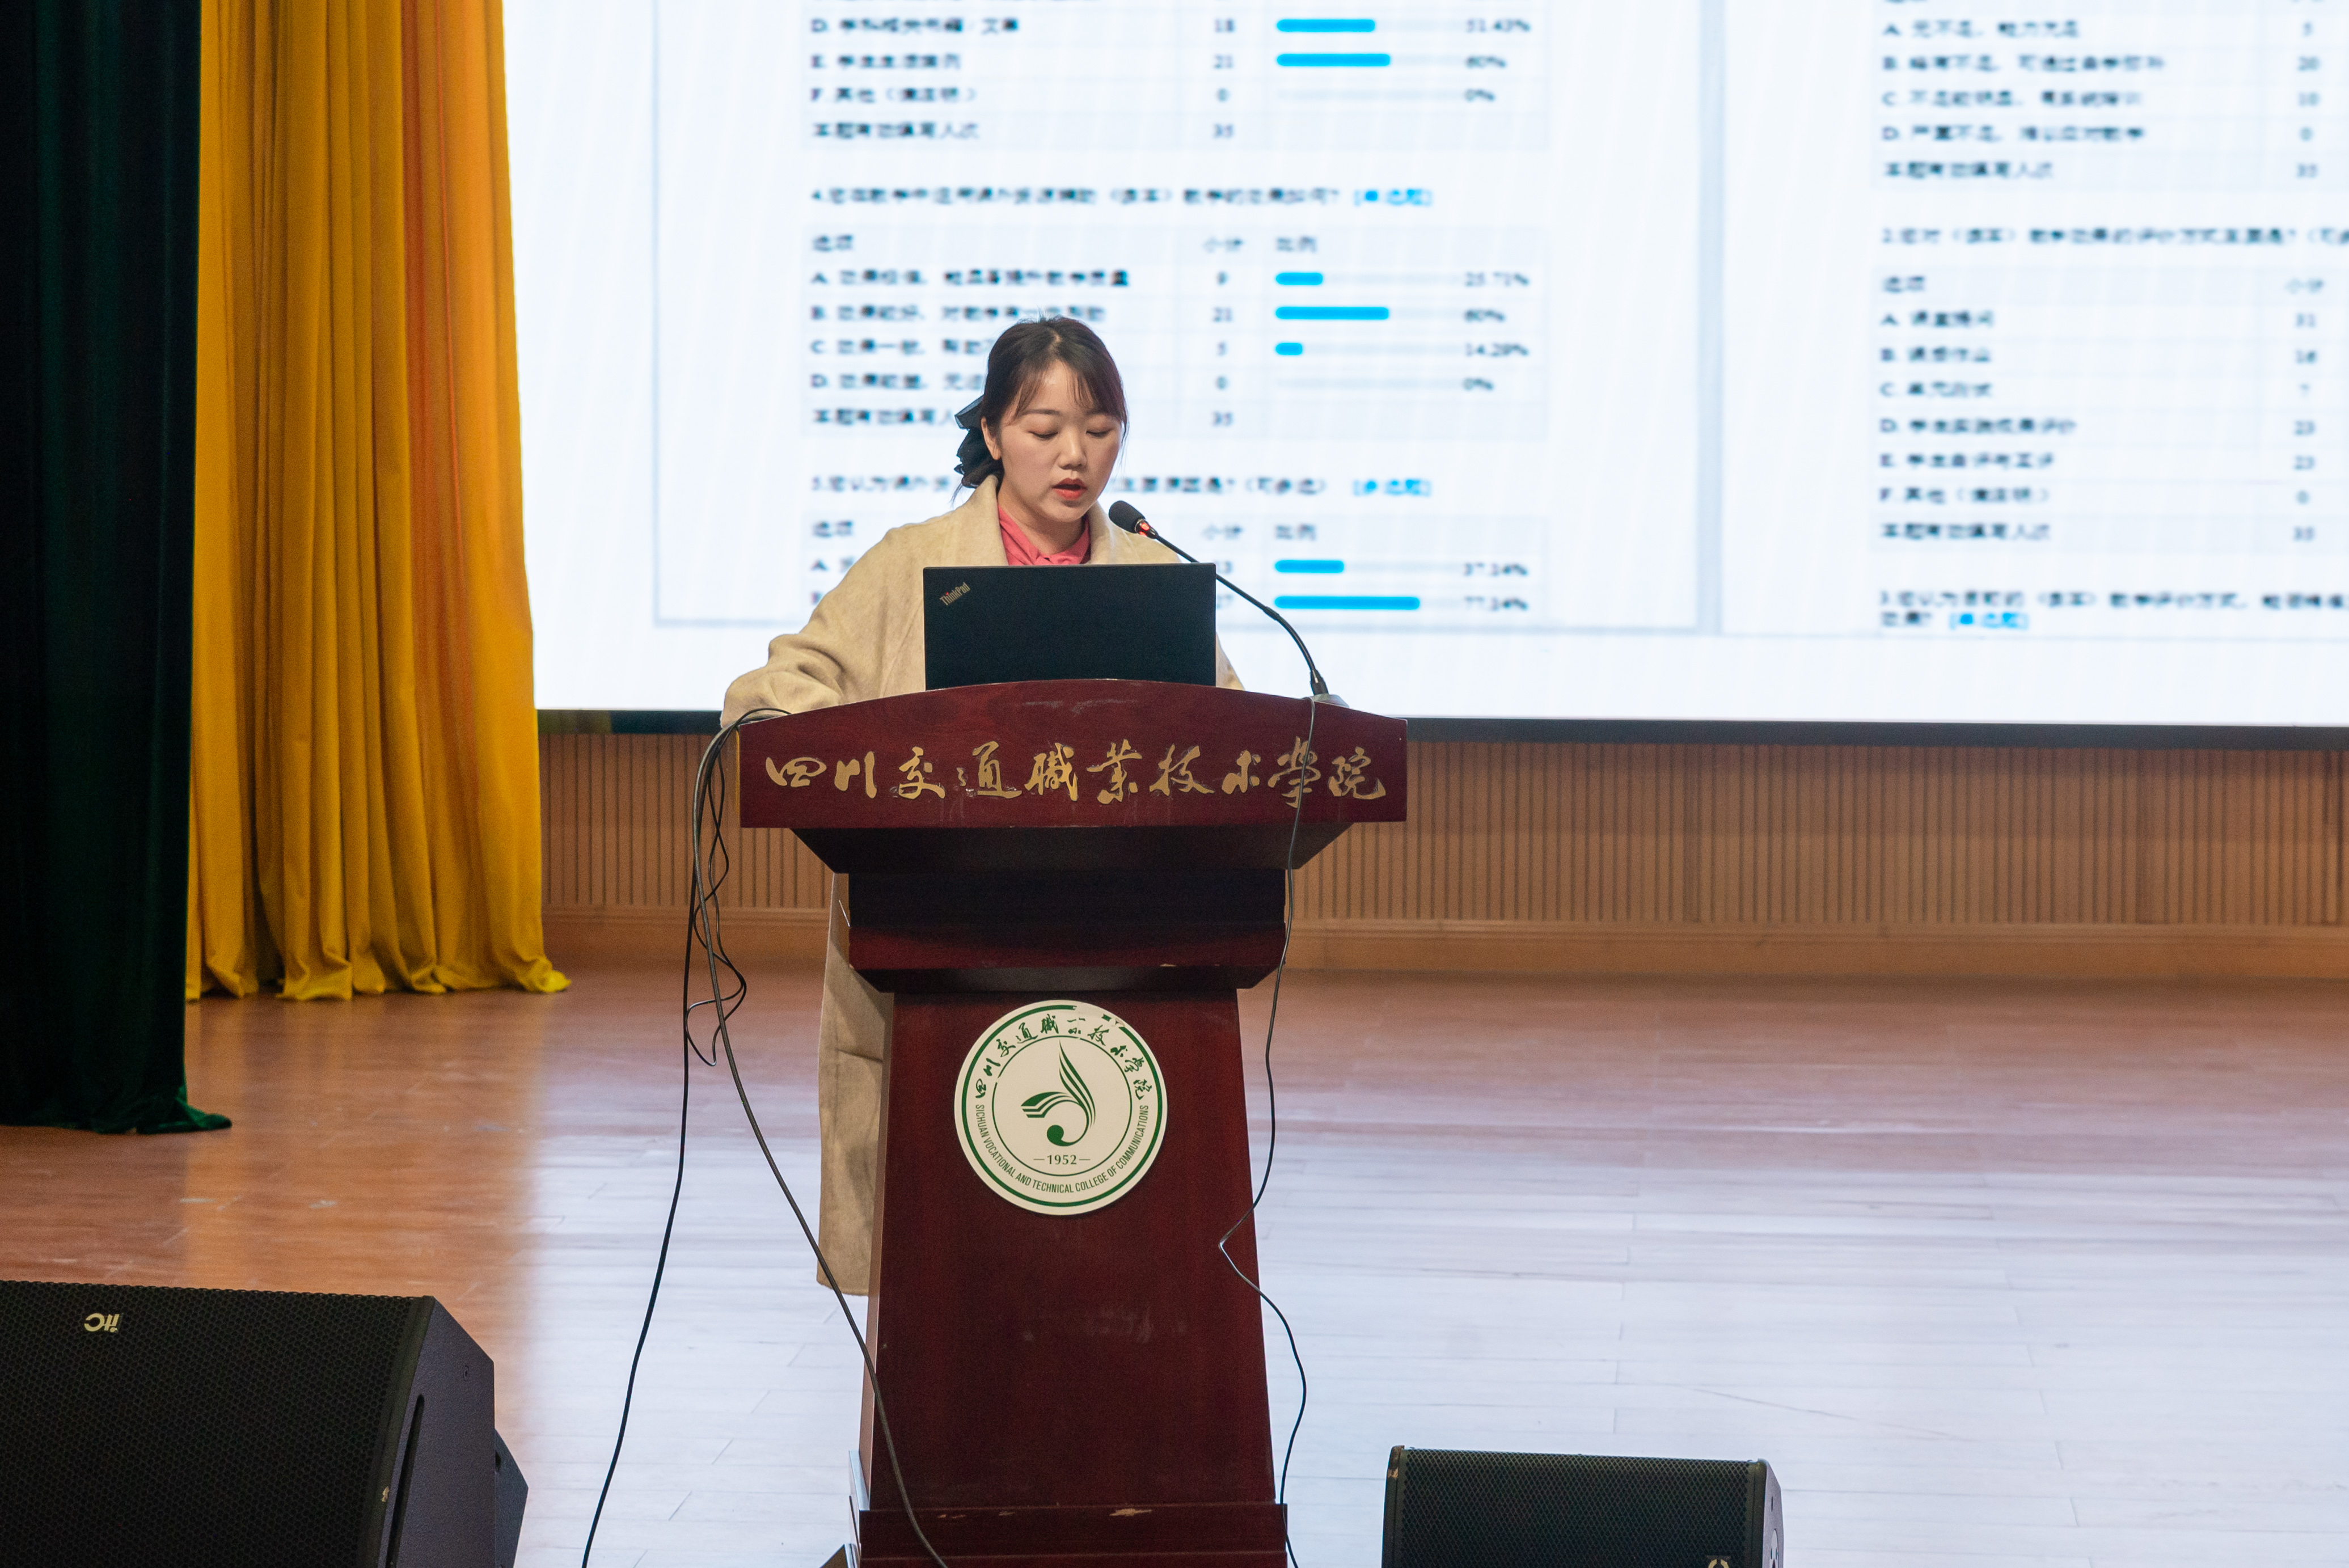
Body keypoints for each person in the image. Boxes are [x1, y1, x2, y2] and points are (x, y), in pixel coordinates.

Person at [719, 318, 1243, 1294]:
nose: (1075, 455)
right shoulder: (910, 562)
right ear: (994, 432)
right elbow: (777, 688)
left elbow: (1229, 737)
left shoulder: (1156, 575)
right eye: (1045, 429)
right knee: (940, 1261)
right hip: (936, 928)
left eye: (1099, 429)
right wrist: (872, 754)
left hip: (1123, 936)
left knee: (1115, 1257)